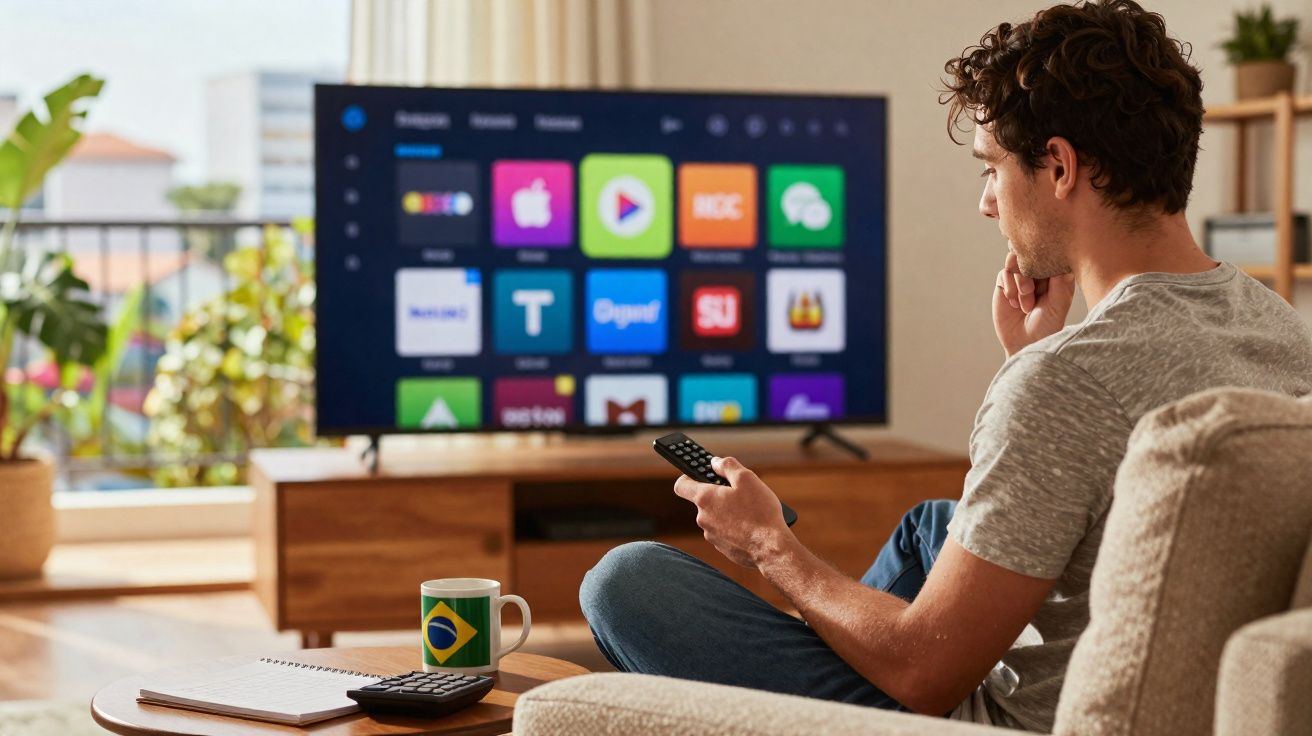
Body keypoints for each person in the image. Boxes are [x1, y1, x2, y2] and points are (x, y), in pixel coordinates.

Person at [579, 0, 1312, 731]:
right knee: (931, 524)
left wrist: (771, 544)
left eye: (991, 168)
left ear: (1058, 166)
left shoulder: (1066, 384)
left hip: (973, 714)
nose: (987, 203)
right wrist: (1034, 355)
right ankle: (834, 648)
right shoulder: (1278, 326)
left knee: (625, 582)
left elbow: (923, 673)